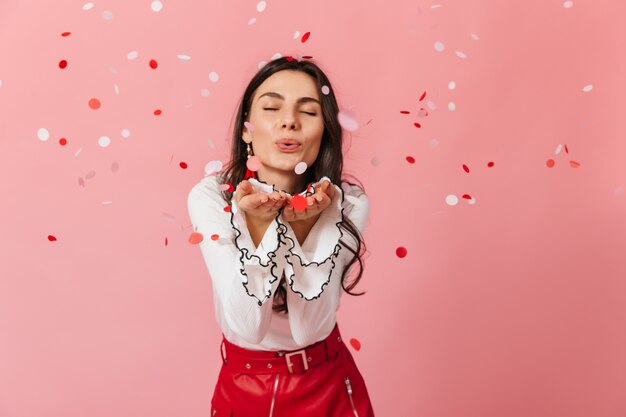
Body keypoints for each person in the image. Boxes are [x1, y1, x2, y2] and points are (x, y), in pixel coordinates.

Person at [187, 56, 374, 417]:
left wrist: (308, 231)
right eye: (272, 107)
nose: (289, 121)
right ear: (246, 130)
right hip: (244, 386)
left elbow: (309, 330)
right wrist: (258, 231)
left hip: (328, 386)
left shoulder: (348, 203)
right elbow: (248, 326)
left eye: (308, 112)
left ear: (325, 132)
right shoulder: (212, 196)